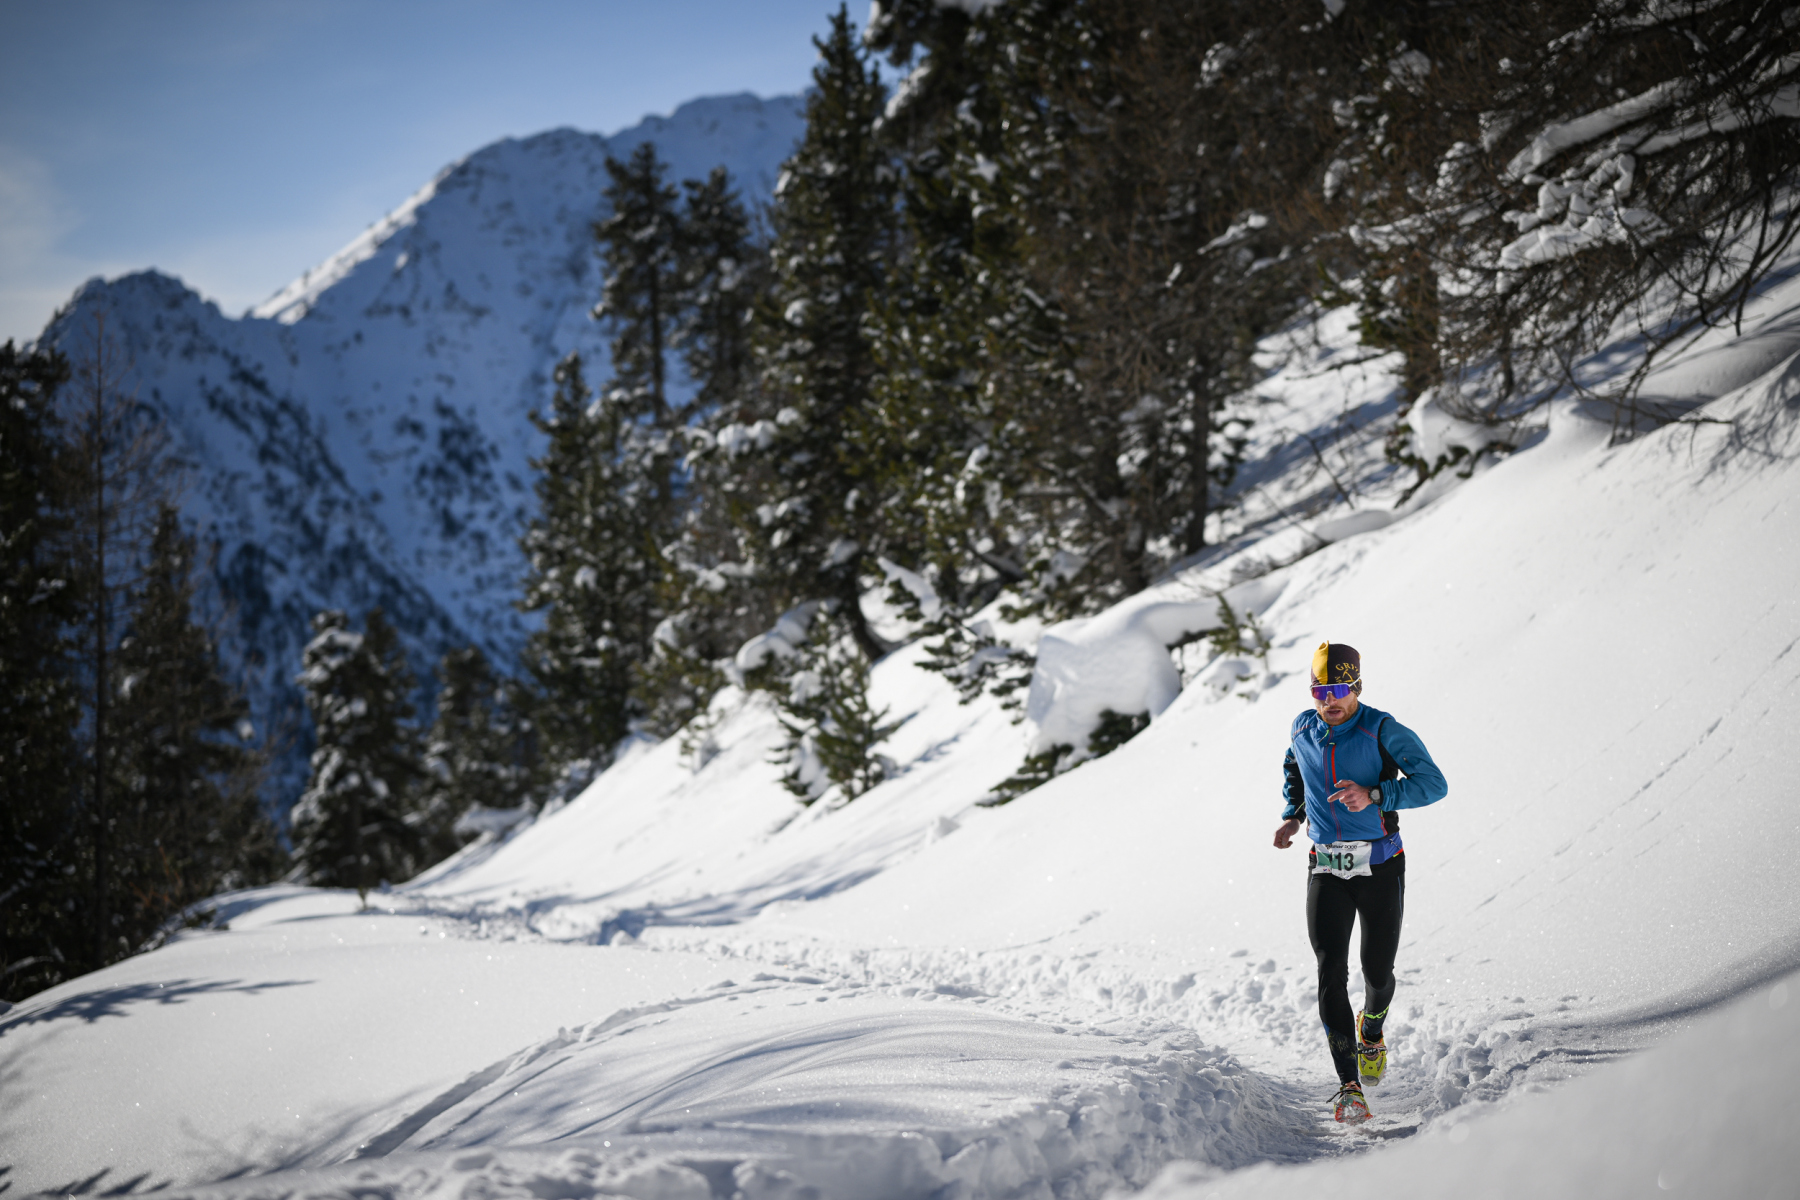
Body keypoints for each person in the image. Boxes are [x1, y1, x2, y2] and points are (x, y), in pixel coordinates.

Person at [1273, 641, 1447, 1124]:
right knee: (1330, 970)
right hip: (1325, 867)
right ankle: (1349, 1087)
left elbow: (1434, 784)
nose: (1330, 700)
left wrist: (1375, 795)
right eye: (1320, 690)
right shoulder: (1302, 727)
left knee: (1377, 973)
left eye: (1339, 689)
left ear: (1357, 687)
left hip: (1380, 868)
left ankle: (1371, 1031)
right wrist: (1293, 815)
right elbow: (1296, 768)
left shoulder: (1383, 729)